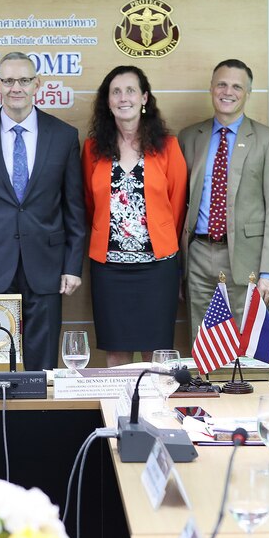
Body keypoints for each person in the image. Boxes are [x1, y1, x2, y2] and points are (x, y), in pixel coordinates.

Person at [0, 51, 86, 371]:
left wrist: (72, 265)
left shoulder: (64, 136)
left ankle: (42, 419)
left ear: (37, 84)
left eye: (25, 80)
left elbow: (74, 207)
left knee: (42, 364)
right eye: (9, 80)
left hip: (47, 264)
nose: (17, 87)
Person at [82, 66, 187, 366]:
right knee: (116, 350)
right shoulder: (92, 149)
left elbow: (176, 206)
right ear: (108, 101)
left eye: (130, 90)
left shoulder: (168, 146)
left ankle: (153, 414)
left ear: (144, 98)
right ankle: (117, 414)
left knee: (154, 352)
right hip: (109, 269)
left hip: (157, 269)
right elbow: (91, 204)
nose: (123, 97)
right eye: (116, 92)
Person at [179, 59, 269, 336]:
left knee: (243, 347)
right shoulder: (191, 136)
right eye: (222, 84)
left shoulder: (268, 140)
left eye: (237, 86)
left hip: (246, 258)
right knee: (202, 343)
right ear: (211, 88)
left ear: (248, 93)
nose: (228, 92)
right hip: (198, 255)